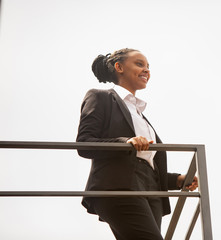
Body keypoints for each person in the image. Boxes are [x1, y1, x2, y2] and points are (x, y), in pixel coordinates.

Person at [76, 48, 198, 240]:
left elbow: (144, 165)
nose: (147, 70)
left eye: (148, 67)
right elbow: (84, 144)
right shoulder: (100, 97)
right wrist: (126, 142)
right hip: (119, 188)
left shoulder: (140, 114)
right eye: (140, 64)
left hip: (151, 194)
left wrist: (177, 180)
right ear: (119, 67)